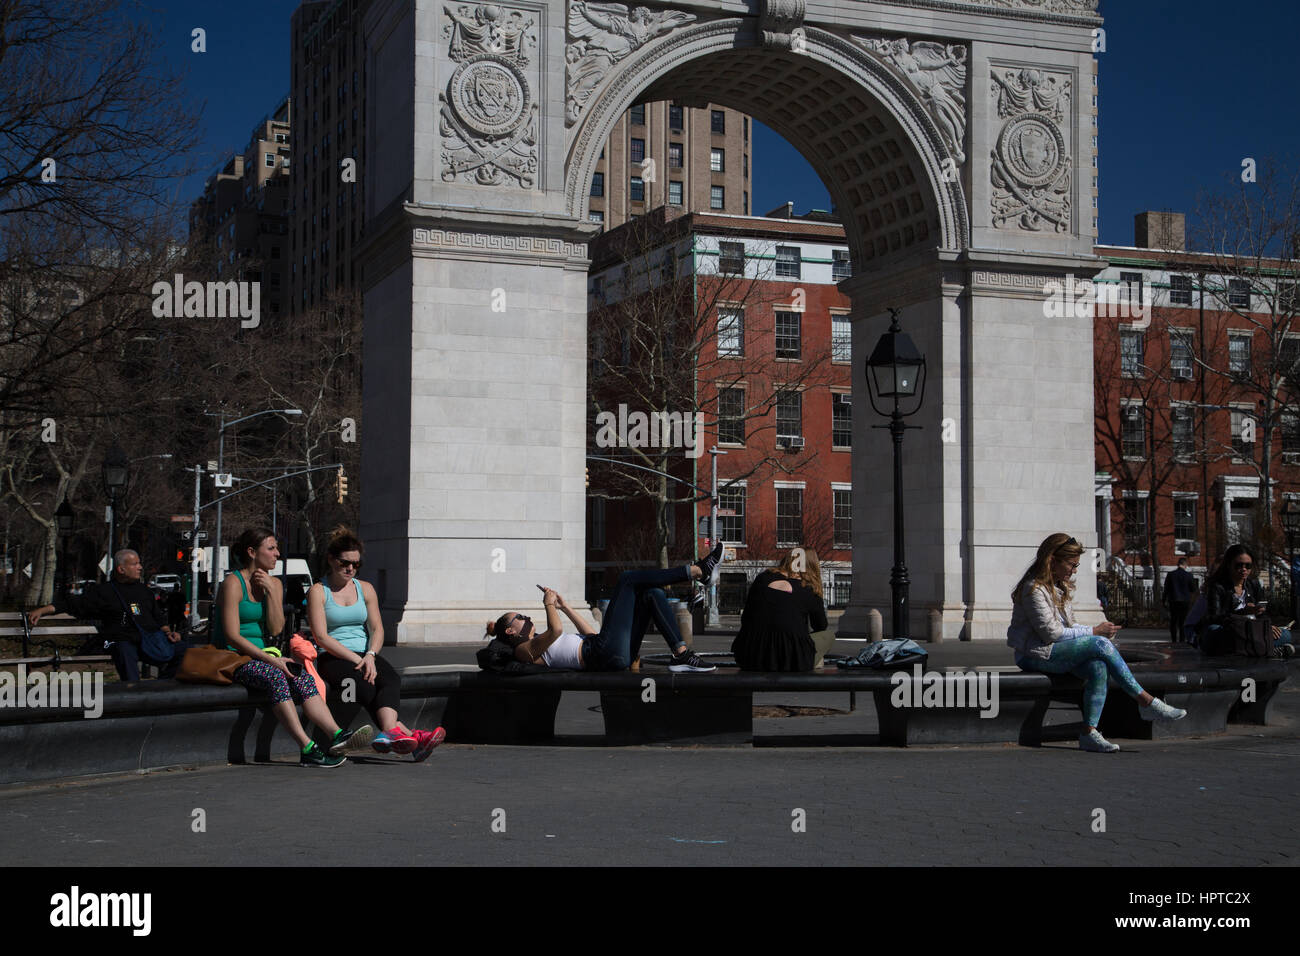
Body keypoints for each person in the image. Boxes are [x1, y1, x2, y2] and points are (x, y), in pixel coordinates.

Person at [1007, 533, 1187, 753]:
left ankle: (1089, 732)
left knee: (1097, 667)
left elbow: (1069, 627)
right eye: (1072, 565)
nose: (1074, 571)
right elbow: (1051, 634)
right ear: (1052, 560)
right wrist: (1095, 632)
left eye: (1077, 565)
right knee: (1100, 645)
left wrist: (1098, 631)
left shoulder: (1058, 588)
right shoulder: (1033, 589)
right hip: (1032, 654)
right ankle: (1146, 701)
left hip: (1050, 651)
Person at [219, 527, 371, 768]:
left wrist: (270, 591)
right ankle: (307, 747)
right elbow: (232, 636)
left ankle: (338, 735)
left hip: (264, 656)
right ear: (251, 552)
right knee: (276, 677)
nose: (277, 553)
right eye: (271, 548)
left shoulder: (275, 584)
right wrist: (271, 661)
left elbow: (276, 628)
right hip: (235, 658)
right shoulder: (232, 583)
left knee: (303, 677)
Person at [305, 527, 445, 761]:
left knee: (391, 678)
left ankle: (391, 732)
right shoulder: (319, 592)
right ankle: (411, 737)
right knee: (364, 687)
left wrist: (370, 654)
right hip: (333, 656)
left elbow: (377, 629)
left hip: (364, 653)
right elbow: (321, 637)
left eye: (356, 564)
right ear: (331, 559)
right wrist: (357, 659)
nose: (350, 568)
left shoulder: (366, 588)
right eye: (345, 562)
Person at [489, 542, 728, 672]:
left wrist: (565, 607)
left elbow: (591, 635)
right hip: (602, 656)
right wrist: (548, 605)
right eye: (519, 617)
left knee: (651, 594)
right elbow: (557, 631)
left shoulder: (538, 639)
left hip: (603, 649)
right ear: (511, 631)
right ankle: (697, 571)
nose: (525, 616)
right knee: (627, 579)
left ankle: (682, 654)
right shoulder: (523, 650)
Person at [28, 549, 182, 682]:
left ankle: (161, 687)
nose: (140, 567)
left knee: (186, 651)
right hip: (124, 642)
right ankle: (133, 691)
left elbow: (158, 617)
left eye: (139, 563)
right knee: (123, 649)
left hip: (149, 641)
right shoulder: (105, 592)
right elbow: (73, 603)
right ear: (121, 569)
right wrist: (42, 611)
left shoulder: (144, 591)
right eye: (134, 564)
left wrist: (168, 633)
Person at [732, 547, 832, 671]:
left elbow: (746, 618)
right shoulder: (809, 588)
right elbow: (821, 626)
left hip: (751, 655)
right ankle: (814, 661)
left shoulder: (762, 578)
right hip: (790, 660)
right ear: (811, 566)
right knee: (828, 636)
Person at [1198, 544, 1295, 658]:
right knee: (1212, 632)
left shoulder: (1253, 584)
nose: (1244, 569)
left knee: (1285, 635)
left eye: (1248, 566)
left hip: (1252, 629)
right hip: (1230, 630)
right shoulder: (1218, 586)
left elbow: (1262, 613)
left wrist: (1267, 625)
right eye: (1239, 565)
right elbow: (1214, 617)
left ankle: (1248, 650)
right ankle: (1267, 649)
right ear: (1229, 565)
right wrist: (1242, 613)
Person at [1162, 556, 1198, 643]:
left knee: (1173, 621)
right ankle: (1182, 640)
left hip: (1173, 600)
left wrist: (1163, 600)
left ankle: (1174, 639)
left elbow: (1166, 589)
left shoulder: (1170, 575)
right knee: (1183, 621)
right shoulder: (1188, 575)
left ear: (1178, 564)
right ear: (1185, 565)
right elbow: (1193, 589)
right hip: (1185, 601)